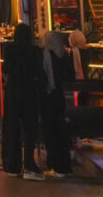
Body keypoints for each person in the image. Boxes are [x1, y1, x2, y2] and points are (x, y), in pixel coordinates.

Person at [1, 23, 45, 181]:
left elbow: (6, 68)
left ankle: (12, 165)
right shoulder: (35, 51)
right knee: (30, 129)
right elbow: (39, 72)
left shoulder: (9, 49)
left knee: (12, 127)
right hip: (30, 91)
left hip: (13, 91)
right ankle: (29, 164)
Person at [41, 31, 73, 177]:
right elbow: (70, 76)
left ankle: (55, 165)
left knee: (50, 131)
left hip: (49, 97)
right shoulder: (65, 55)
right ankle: (64, 164)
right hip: (60, 96)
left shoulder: (47, 54)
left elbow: (45, 76)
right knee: (60, 130)